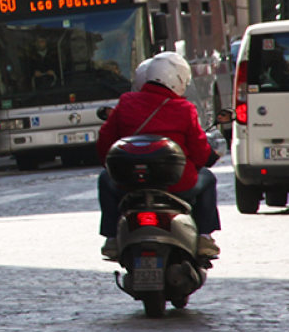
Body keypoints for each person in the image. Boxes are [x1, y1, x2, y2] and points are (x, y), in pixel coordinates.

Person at [95, 51, 221, 260]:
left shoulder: (126, 102)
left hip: (128, 184)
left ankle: (111, 238)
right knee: (208, 179)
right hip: (177, 186)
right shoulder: (184, 108)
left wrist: (112, 169)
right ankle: (204, 237)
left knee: (103, 179)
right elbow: (199, 154)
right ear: (178, 80)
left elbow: (105, 144)